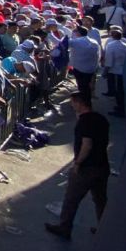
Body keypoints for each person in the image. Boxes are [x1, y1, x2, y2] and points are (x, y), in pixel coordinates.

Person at [45, 92, 111, 240]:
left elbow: (87, 145)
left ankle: (64, 228)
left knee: (71, 199)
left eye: (73, 103)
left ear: (80, 104)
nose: (71, 105)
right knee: (100, 199)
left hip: (87, 168)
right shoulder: (101, 119)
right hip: (102, 165)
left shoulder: (84, 122)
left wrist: (77, 163)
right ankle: (104, 229)